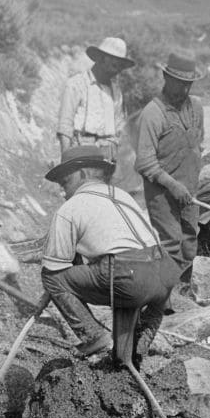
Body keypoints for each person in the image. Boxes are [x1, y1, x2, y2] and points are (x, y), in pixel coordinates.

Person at [40, 145, 179, 365]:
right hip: (165, 272)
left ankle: (94, 336)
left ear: (83, 174)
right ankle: (136, 347)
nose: (62, 191)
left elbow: (55, 267)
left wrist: (48, 259)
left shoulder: (71, 207)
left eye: (65, 183)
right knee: (124, 281)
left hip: (128, 276)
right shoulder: (121, 194)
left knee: (51, 277)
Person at [135, 51, 210, 281]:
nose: (184, 89)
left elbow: (197, 145)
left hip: (190, 190)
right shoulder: (152, 114)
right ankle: (162, 299)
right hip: (162, 194)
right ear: (166, 78)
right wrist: (173, 185)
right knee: (172, 243)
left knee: (189, 242)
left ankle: (184, 290)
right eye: (179, 83)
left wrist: (192, 178)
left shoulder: (196, 108)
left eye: (188, 84)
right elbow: (144, 163)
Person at [56, 37, 134, 160]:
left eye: (120, 66)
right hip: (80, 152)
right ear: (101, 59)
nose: (117, 70)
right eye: (114, 64)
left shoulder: (116, 92)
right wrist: (66, 160)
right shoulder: (76, 84)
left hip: (109, 155)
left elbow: (119, 129)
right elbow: (65, 127)